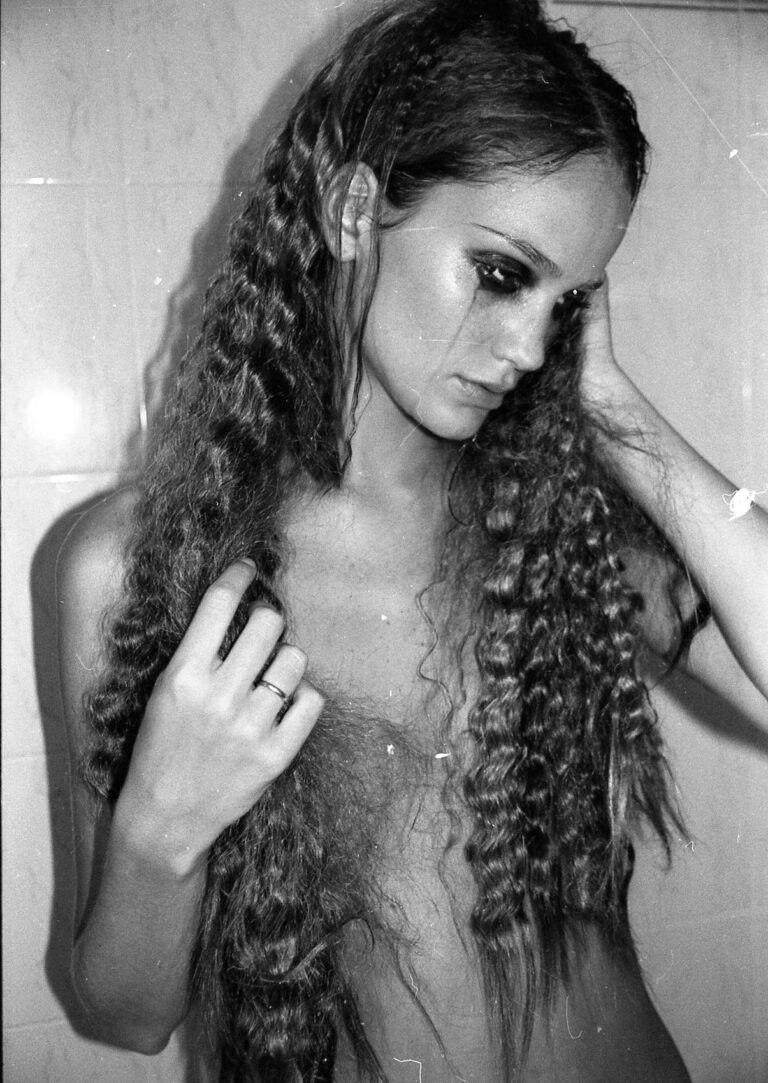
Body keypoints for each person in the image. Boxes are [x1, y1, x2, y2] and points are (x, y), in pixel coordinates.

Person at [56, 0, 768, 1080]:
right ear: (354, 209)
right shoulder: (139, 567)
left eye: (567, 303)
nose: (529, 346)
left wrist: (613, 403)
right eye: (503, 273)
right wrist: (161, 825)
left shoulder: (557, 531)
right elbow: (126, 1015)